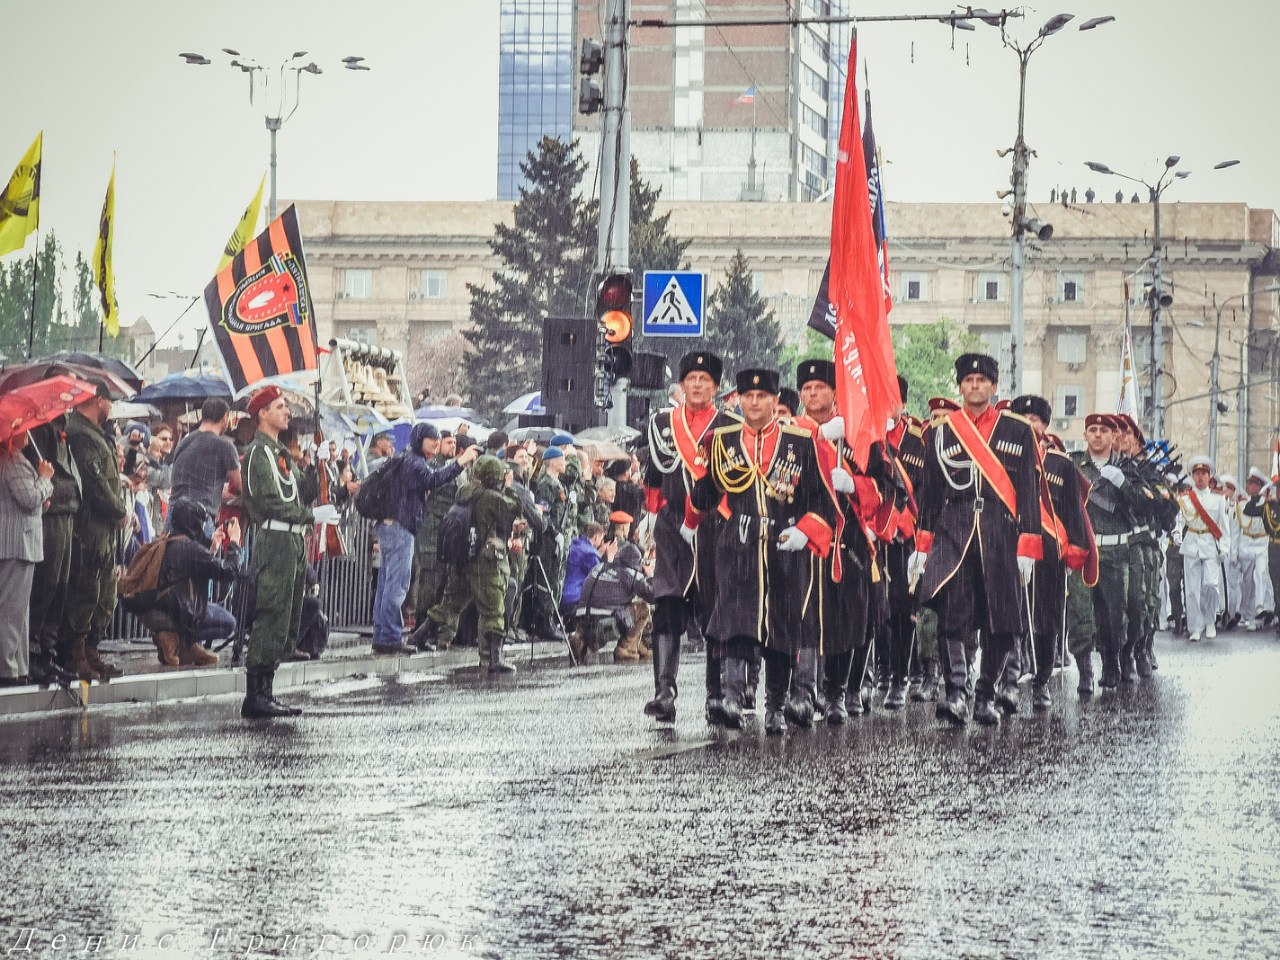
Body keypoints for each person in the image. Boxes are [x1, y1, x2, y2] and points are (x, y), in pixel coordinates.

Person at [684, 367, 836, 733]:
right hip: (738, 542)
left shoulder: (800, 442)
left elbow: (822, 499)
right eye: (748, 396)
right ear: (738, 399)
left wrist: (804, 531)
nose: (754, 403)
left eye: (762, 397)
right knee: (736, 620)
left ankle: (776, 707)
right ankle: (732, 697)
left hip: (784, 544)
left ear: (775, 400)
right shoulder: (722, 441)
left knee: (780, 627)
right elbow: (707, 494)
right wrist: (700, 479)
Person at [912, 354, 1042, 726]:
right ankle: (956, 692)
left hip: (1000, 531)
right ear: (960, 386)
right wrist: (922, 545)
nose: (974, 385)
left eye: (982, 380)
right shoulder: (942, 431)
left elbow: (1029, 490)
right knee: (950, 612)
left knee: (1001, 619)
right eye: (968, 380)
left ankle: (985, 695)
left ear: (994, 386)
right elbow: (931, 493)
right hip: (954, 529)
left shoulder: (1017, 430)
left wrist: (1028, 543)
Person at [641, 351, 738, 724]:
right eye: (691, 379)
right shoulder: (662, 423)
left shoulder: (728, 425)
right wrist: (651, 513)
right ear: (682, 385)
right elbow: (654, 473)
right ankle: (664, 693)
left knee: (714, 608)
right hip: (671, 527)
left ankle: (715, 696)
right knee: (667, 603)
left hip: (715, 526)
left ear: (715, 387)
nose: (697, 385)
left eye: (704, 380)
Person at [240, 385, 336, 719]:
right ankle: (256, 695)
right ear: (262, 413)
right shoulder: (258, 453)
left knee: (288, 618)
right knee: (272, 614)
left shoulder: (280, 453)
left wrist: (315, 465)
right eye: (280, 406)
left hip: (293, 541)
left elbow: (302, 492)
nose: (287, 412)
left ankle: (267, 690)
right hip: (276, 539)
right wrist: (310, 516)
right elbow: (268, 502)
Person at [1009, 394, 1092, 710]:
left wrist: (1074, 552)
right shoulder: (1004, 458)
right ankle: (1009, 679)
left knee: (1046, 622)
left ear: (1044, 425)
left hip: (1048, 555)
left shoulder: (1061, 464)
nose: (1030, 424)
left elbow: (1073, 511)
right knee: (1009, 618)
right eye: (1023, 419)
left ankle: (1041, 681)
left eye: (1035, 420)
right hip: (1010, 549)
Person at [373, 421, 475, 655]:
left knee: (386, 583)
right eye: (432, 440)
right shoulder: (414, 462)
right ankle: (390, 636)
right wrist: (460, 462)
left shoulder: (406, 459)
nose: (436, 445)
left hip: (392, 526)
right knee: (397, 584)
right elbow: (433, 479)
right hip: (401, 526)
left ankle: (382, 634)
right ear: (420, 439)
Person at [61, 379, 130, 681]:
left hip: (102, 526)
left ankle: (90, 651)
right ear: (98, 399)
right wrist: (118, 509)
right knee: (87, 589)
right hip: (90, 525)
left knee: (103, 592)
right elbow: (94, 481)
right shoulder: (80, 432)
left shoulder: (94, 432)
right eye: (109, 401)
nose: (111, 407)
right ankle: (76, 656)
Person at [427, 454, 522, 671]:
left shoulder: (465, 491)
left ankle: (420, 636)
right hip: (484, 562)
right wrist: (509, 488)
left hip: (463, 558)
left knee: (451, 603)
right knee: (493, 609)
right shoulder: (491, 497)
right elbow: (515, 508)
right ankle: (492, 658)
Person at [1069, 414, 1138, 691]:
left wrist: (1123, 483)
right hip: (1083, 550)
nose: (1097, 435)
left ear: (1113, 436)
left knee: (1113, 615)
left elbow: (1143, 506)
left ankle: (1111, 663)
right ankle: (1085, 672)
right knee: (1080, 613)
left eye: (1103, 430)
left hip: (1114, 549)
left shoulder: (1127, 468)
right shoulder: (1072, 464)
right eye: (1092, 430)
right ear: (1085, 435)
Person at [137, 497, 238, 668]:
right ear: (194, 523)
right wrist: (234, 542)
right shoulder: (191, 549)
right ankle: (181, 642)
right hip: (178, 613)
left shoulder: (166, 541)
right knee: (229, 623)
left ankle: (178, 643)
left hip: (154, 612)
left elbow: (190, 569)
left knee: (207, 610)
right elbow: (228, 572)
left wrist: (211, 547)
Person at [24, 414, 79, 685]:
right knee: (46, 583)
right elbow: (38, 468)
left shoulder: (62, 425)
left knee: (60, 587)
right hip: (52, 513)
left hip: (67, 512)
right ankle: (34, 652)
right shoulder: (40, 428)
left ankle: (48, 650)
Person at [0, 431, 55, 685]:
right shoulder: (11, 460)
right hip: (17, 544)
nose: (27, 432)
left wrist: (41, 497)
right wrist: (44, 479)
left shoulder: (12, 459)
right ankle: (6, 667)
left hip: (20, 543)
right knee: (11, 612)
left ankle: (18, 667)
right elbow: (28, 498)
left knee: (19, 612)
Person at [411, 430, 460, 648]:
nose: (452, 446)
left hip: (446, 532)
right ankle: (420, 626)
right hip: (431, 530)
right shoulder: (433, 467)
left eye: (454, 442)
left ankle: (433, 629)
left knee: (442, 582)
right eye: (448, 442)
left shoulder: (454, 469)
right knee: (429, 581)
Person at [575, 529, 655, 663]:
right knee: (643, 608)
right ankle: (626, 649)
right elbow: (652, 596)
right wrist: (650, 575)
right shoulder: (632, 573)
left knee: (621, 608)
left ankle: (580, 639)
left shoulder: (600, 567)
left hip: (581, 620)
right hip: (604, 625)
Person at [1177, 456, 1229, 642]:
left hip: (1210, 544)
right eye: (1197, 474)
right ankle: (1195, 627)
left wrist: (1224, 548)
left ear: (1209, 476)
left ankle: (1210, 621)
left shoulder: (1219, 500)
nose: (1200, 477)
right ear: (1192, 476)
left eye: (1203, 474)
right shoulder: (1185, 499)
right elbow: (1179, 522)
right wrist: (1176, 535)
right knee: (1192, 590)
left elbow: (1224, 527)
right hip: (1191, 543)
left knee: (1211, 585)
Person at [170, 399, 242, 519]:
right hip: (199, 516)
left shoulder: (183, 443)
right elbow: (240, 486)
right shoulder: (224, 446)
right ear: (225, 417)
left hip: (174, 513)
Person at [531, 445, 571, 642]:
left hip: (558, 536)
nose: (565, 463)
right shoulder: (547, 484)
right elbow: (544, 512)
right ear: (553, 462)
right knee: (549, 578)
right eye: (562, 460)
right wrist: (555, 533)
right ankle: (544, 622)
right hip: (548, 539)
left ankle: (551, 619)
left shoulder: (558, 483)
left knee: (557, 578)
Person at [562, 521, 605, 659]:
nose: (601, 542)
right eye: (601, 538)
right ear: (596, 536)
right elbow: (599, 577)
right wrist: (608, 558)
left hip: (560, 595)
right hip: (574, 598)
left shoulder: (573, 544)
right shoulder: (589, 553)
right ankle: (583, 643)